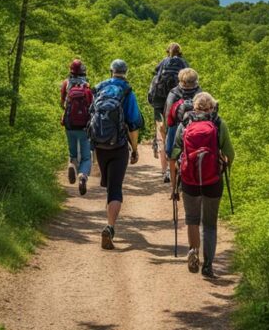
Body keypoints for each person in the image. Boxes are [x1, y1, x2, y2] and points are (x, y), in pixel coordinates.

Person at [170, 92, 234, 278]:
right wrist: (223, 165)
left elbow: (174, 155)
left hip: (189, 180)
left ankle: (193, 251)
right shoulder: (219, 124)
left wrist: (174, 185)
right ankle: (208, 266)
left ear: (194, 107)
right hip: (213, 180)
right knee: (210, 224)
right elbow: (230, 153)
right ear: (212, 107)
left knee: (192, 219)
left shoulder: (185, 125)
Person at [90, 59, 143, 250]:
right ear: (125, 72)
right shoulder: (127, 92)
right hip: (118, 147)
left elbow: (91, 117)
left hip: (100, 147)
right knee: (115, 189)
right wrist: (135, 149)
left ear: (111, 71)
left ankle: (109, 222)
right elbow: (134, 124)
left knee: (107, 185)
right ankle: (110, 227)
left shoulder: (98, 88)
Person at [147, 42, 189, 184]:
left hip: (159, 103)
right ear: (180, 52)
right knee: (179, 135)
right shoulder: (184, 63)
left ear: (168, 52)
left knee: (162, 137)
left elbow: (155, 72)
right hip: (179, 105)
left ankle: (165, 172)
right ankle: (179, 169)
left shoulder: (164, 62)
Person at [59, 58, 93, 196]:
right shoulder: (87, 86)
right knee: (86, 157)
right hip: (84, 126)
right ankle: (82, 176)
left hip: (69, 125)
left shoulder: (66, 84)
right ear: (83, 71)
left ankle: (72, 164)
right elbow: (92, 106)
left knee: (72, 152)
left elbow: (62, 103)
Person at [163, 68, 202, 166]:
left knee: (172, 154)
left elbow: (168, 114)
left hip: (176, 127)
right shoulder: (199, 92)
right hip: (197, 128)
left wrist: (167, 129)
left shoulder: (173, 93)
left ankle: (172, 178)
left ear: (181, 80)